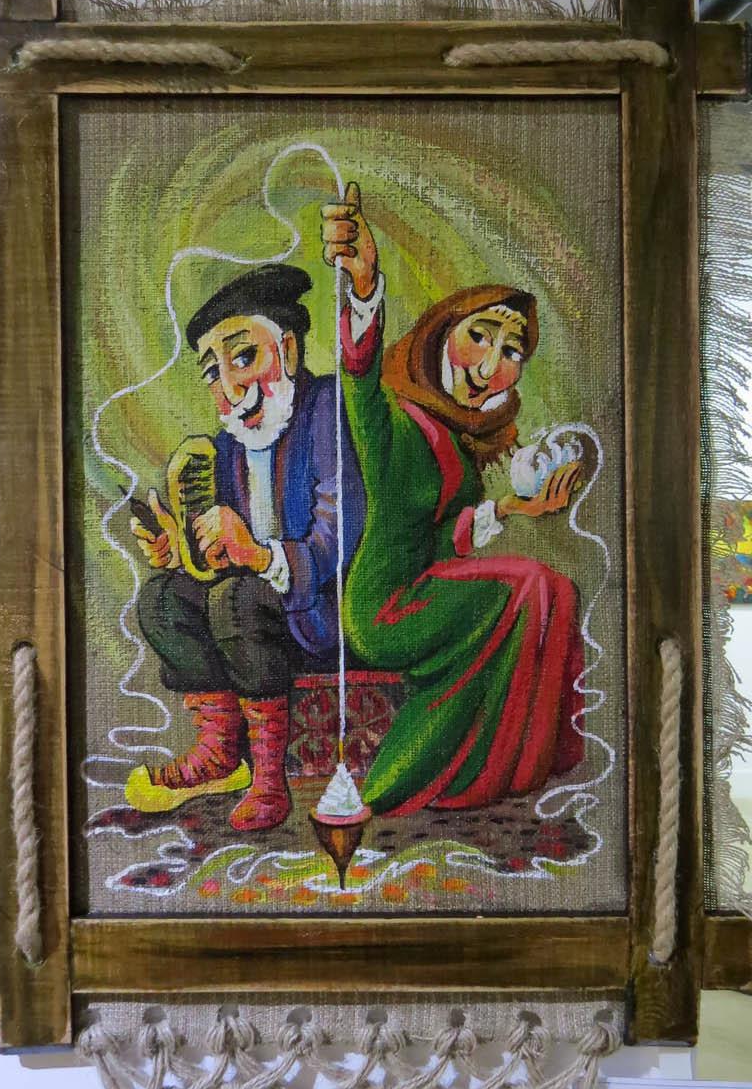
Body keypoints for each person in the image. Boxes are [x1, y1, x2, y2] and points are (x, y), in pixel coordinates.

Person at [321, 184, 585, 816]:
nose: (491, 365)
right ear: (441, 336)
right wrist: (364, 286)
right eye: (481, 336)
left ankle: (517, 762)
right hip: (384, 609)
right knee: (528, 584)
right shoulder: (390, 421)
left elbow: (442, 539)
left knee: (555, 588)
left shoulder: (463, 452)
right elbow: (358, 376)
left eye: (511, 351)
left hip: (429, 588)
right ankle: (393, 786)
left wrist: (515, 510)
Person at [125, 262, 365, 829]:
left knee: (236, 598)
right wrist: (179, 552)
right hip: (253, 611)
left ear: (288, 349)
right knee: (162, 599)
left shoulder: (326, 409)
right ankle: (220, 756)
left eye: (243, 357)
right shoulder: (228, 447)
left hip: (325, 612)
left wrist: (258, 556)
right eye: (213, 372)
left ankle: (268, 778)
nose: (229, 387)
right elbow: (218, 560)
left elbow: (338, 536)